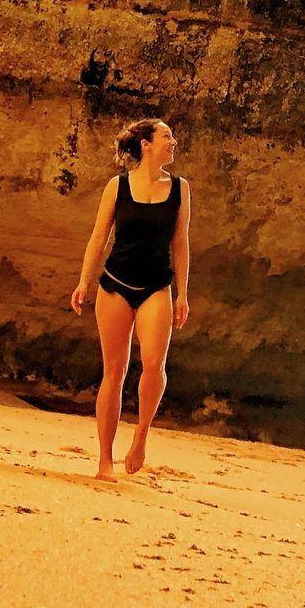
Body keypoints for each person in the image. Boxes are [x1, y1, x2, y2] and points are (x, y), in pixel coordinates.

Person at [70, 116, 191, 480]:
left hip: (157, 285)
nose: (173, 142)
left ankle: (140, 435)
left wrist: (183, 293)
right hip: (114, 284)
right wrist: (83, 282)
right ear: (146, 144)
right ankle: (105, 460)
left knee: (154, 364)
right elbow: (98, 237)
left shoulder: (181, 188)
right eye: (167, 136)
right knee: (115, 371)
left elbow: (181, 243)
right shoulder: (117, 186)